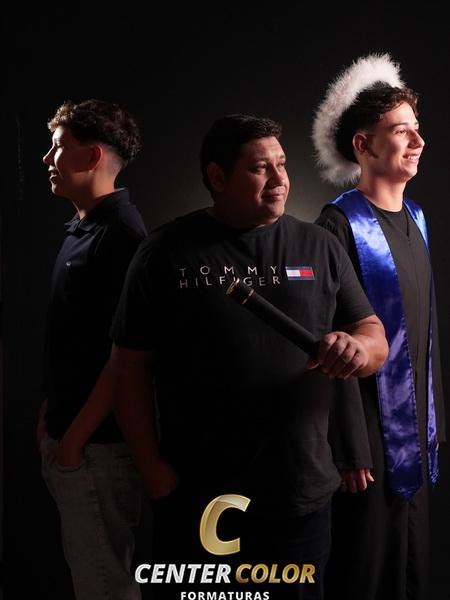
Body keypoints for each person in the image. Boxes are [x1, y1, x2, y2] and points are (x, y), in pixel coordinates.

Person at [110, 113, 388, 600]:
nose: (280, 178)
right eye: (261, 167)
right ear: (217, 177)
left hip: (298, 497)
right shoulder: (165, 253)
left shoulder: (319, 246)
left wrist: (358, 349)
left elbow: (373, 334)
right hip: (200, 496)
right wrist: (150, 466)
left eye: (282, 163)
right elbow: (129, 368)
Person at [312, 54, 446, 600]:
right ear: (363, 145)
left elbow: (426, 334)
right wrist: (350, 448)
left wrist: (434, 425)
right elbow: (330, 341)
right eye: (400, 131)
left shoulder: (417, 219)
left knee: (413, 565)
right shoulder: (338, 224)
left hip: (417, 428)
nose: (417, 141)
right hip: (366, 438)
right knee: (366, 571)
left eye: (417, 129)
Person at [37, 99, 147, 600]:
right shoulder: (84, 230)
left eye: (58, 147)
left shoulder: (121, 237)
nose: (47, 158)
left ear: (93, 156)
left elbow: (126, 359)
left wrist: (75, 439)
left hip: (95, 451)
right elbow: (76, 341)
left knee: (106, 588)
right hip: (73, 444)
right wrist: (51, 416)